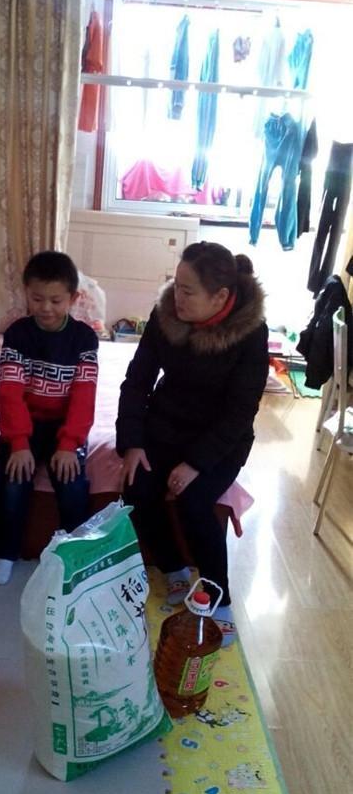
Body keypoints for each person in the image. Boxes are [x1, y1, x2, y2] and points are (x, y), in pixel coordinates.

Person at [117, 241, 268, 615]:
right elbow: (137, 381)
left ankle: (218, 596)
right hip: (166, 423)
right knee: (137, 490)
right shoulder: (166, 314)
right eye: (175, 285)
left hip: (220, 437)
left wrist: (196, 463)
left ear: (220, 297)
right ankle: (174, 570)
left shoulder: (251, 333)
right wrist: (132, 442)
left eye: (187, 291)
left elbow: (240, 411)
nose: (177, 298)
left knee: (195, 501)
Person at [0, 251, 99, 585]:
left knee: (73, 484)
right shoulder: (17, 334)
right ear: (26, 293)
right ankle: (6, 551)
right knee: (13, 481)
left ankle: (73, 555)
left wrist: (69, 444)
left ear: (73, 299)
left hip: (64, 428)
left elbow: (84, 397)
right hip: (25, 424)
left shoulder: (84, 338)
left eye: (55, 300)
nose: (46, 308)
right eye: (37, 299)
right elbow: (9, 393)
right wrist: (19, 442)